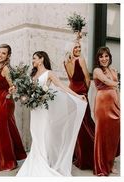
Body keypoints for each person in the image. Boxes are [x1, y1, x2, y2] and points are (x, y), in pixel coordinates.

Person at [17, 51, 87, 176]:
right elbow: (28, 90)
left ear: (41, 59)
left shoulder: (49, 73)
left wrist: (77, 96)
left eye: (34, 58)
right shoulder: (32, 74)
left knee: (43, 134)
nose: (32, 61)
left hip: (43, 110)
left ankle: (44, 162)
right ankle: (37, 160)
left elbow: (61, 86)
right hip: (35, 110)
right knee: (36, 134)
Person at [64, 40, 95, 169]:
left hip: (71, 93)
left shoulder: (65, 62)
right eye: (75, 47)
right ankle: (89, 156)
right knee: (85, 124)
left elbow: (71, 80)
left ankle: (77, 155)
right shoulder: (80, 60)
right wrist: (85, 92)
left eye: (79, 47)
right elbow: (87, 79)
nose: (78, 49)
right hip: (80, 94)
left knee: (77, 124)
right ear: (70, 48)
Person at [93, 47, 120, 176]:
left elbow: (117, 90)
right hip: (102, 106)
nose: (104, 59)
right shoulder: (97, 70)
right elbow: (105, 81)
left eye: (106, 56)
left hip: (115, 106)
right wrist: (117, 83)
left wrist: (120, 105)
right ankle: (101, 165)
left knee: (114, 135)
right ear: (98, 59)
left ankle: (110, 163)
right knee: (102, 134)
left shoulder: (114, 70)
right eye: (101, 56)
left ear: (109, 57)